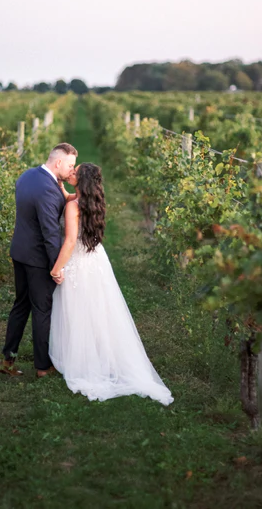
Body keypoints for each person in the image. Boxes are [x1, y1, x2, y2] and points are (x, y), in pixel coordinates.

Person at [49, 163, 174, 406]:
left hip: (78, 262)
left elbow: (71, 241)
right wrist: (63, 188)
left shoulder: (73, 207)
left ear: (82, 180)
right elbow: (72, 199)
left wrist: (56, 269)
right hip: (96, 260)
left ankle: (83, 361)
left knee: (78, 311)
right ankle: (102, 356)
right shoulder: (91, 201)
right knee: (99, 310)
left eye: (75, 172)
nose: (71, 172)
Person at [0, 143, 77, 378]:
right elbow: (50, 234)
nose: (71, 171)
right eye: (70, 165)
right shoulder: (48, 191)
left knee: (20, 305)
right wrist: (56, 267)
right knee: (42, 310)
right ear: (58, 162)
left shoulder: (28, 176)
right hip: (37, 259)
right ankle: (43, 366)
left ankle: (8, 358)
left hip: (19, 252)